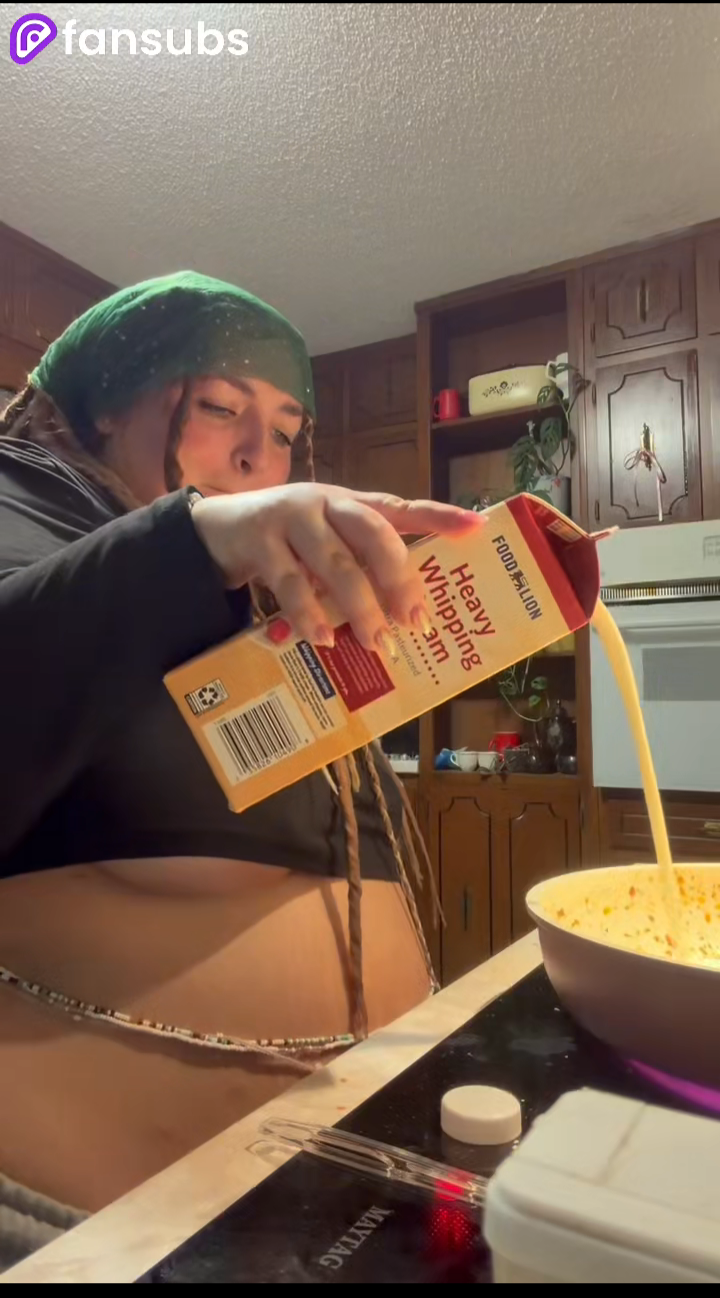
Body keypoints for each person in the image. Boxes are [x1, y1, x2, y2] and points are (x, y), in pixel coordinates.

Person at [0, 271, 478, 1263]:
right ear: (106, 403)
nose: (261, 454)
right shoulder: (15, 497)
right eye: (220, 409)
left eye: (287, 429)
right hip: (104, 1236)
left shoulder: (260, 598)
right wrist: (190, 541)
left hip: (358, 1184)